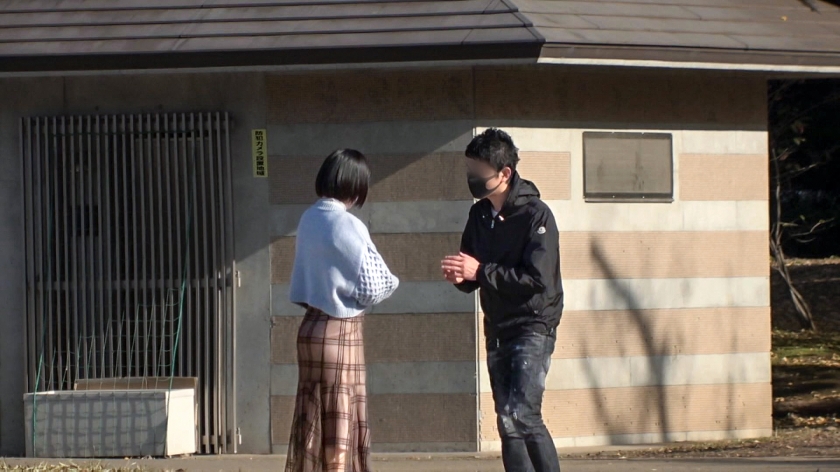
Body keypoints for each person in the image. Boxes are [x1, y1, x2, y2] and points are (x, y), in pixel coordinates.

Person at [441, 129, 564, 472]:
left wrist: (480, 271)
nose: (472, 178)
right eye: (470, 170)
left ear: (505, 173)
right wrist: (462, 277)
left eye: (479, 171)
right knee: (507, 421)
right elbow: (475, 272)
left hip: (533, 323)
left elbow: (537, 280)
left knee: (523, 414)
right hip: (498, 326)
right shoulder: (479, 215)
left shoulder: (536, 215)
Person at [286, 149, 399, 472]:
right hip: (341, 331)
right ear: (355, 184)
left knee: (312, 418)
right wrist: (355, 296)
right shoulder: (348, 225)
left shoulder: (308, 219)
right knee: (342, 421)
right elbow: (378, 285)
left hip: (310, 329)